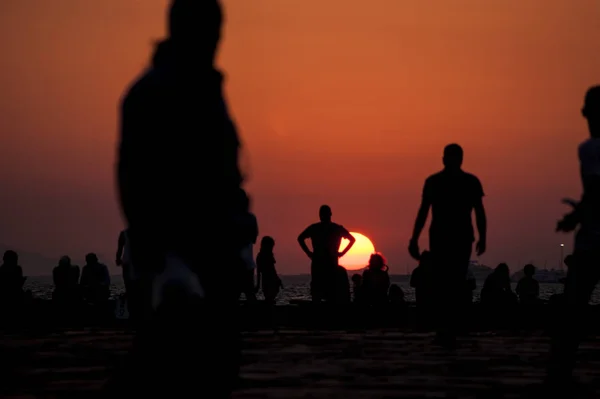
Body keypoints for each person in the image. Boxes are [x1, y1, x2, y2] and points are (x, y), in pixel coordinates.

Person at [110, 1, 251, 396]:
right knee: (170, 364)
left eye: (217, 33)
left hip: (217, 249)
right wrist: (156, 249)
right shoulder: (153, 92)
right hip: (175, 253)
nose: (215, 42)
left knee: (216, 367)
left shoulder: (206, 88)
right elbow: (133, 176)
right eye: (208, 33)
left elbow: (224, 169)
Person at [408, 144, 487, 348]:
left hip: (454, 237)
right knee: (449, 279)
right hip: (448, 237)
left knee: (450, 279)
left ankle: (450, 323)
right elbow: (424, 211)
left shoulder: (447, 182)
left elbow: (479, 211)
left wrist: (483, 236)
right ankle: (450, 323)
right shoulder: (452, 182)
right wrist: (414, 238)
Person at [547, 86, 600, 388]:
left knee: (573, 308)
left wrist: (575, 216)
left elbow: (595, 188)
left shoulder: (590, 148)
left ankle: (560, 375)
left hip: (593, 239)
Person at [298, 205, 356, 302]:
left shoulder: (323, 228)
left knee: (326, 290)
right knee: (322, 290)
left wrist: (342, 253)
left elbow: (352, 239)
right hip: (321, 263)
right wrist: (308, 252)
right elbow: (300, 238)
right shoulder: (330, 228)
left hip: (327, 263)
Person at [255, 236, 283, 305]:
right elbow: (260, 271)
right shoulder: (263, 256)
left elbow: (272, 270)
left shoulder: (263, 256)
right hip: (268, 281)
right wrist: (258, 285)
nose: (272, 248)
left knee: (270, 298)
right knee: (269, 298)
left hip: (269, 281)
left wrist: (278, 280)